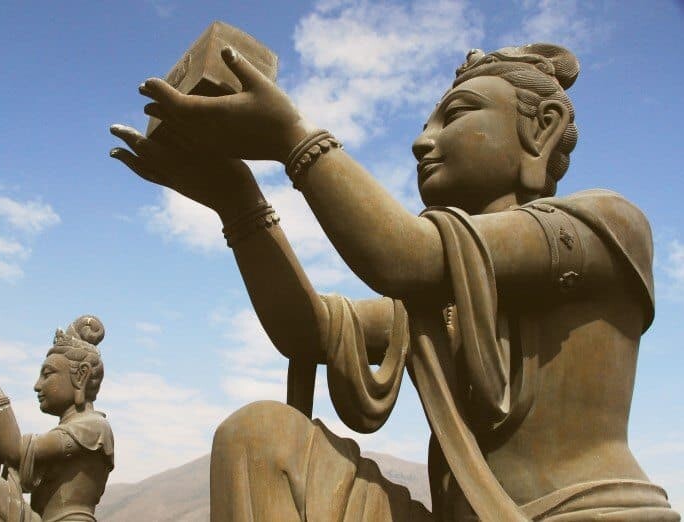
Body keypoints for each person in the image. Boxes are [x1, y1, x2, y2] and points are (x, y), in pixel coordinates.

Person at [110, 43, 678, 520]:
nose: (422, 141)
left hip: (582, 514)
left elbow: (404, 255)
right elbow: (306, 330)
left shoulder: (606, 224)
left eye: (455, 115)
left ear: (542, 130)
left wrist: (292, 137)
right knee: (260, 437)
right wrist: (237, 200)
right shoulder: (437, 302)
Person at [0, 315, 114, 522]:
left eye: (47, 374)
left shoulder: (93, 427)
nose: (37, 385)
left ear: (81, 375)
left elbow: (14, 453)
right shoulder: (66, 431)